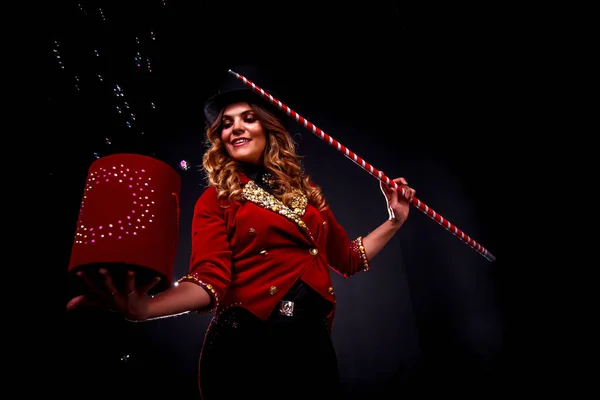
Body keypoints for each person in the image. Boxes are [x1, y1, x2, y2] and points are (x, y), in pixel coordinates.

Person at [66, 66, 416, 399]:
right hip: (248, 346)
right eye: (226, 123)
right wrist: (146, 308)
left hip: (312, 347)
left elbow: (349, 259)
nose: (235, 128)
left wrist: (394, 220)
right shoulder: (216, 198)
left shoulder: (307, 196)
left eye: (248, 118)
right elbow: (209, 279)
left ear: (269, 127)